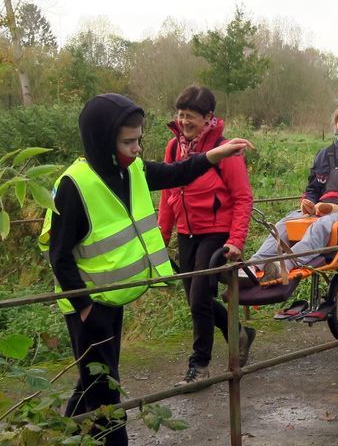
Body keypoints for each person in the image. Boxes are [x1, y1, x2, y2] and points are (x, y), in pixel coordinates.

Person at [38, 93, 253, 445]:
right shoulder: (74, 187)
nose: (137, 148)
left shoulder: (130, 169)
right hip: (90, 305)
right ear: (102, 142)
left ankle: (64, 437)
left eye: (139, 139)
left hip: (114, 298)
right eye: (128, 141)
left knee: (93, 380)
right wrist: (86, 307)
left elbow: (176, 172)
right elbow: (59, 256)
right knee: (106, 393)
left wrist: (215, 154)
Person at [158, 85, 255, 386]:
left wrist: (236, 241)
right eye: (180, 115)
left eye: (191, 117)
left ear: (209, 117)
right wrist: (161, 235)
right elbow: (169, 193)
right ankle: (238, 331)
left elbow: (242, 198)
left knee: (200, 297)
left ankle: (199, 365)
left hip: (216, 232)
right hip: (187, 231)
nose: (184, 122)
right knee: (194, 298)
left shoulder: (225, 150)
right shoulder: (174, 148)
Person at [248, 103, 338, 279]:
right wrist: (308, 203)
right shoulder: (325, 154)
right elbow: (312, 188)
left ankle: (286, 264)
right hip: (320, 211)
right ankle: (253, 266)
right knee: (284, 224)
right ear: (336, 126)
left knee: (321, 226)